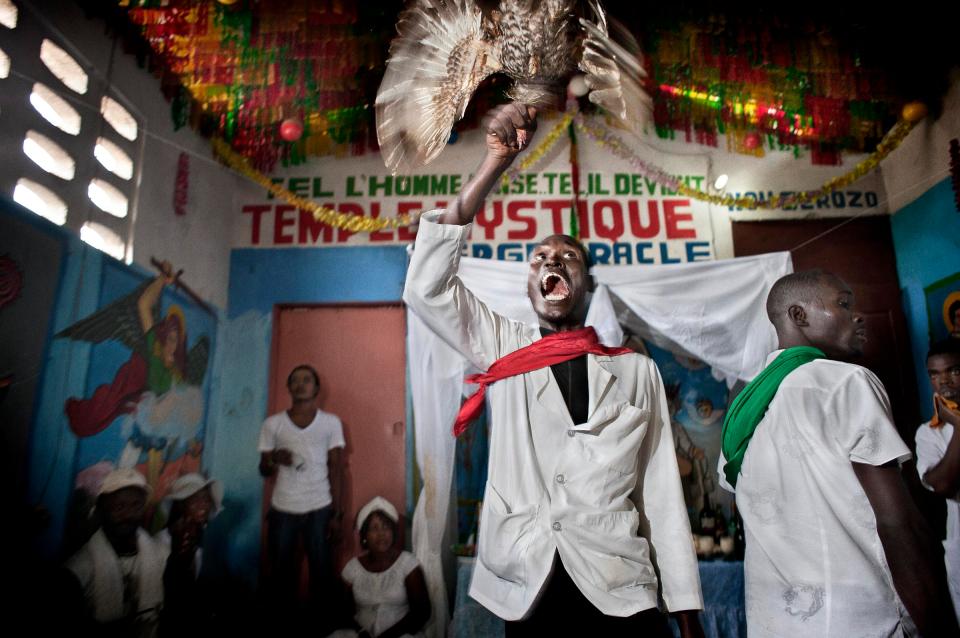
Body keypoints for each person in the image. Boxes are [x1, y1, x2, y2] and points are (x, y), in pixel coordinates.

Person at [403, 103, 703, 637]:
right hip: (532, 582)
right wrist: (494, 163)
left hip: (620, 583)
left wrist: (685, 608)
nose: (553, 262)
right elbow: (427, 288)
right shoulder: (504, 348)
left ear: (587, 282)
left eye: (568, 258)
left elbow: (660, 492)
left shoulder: (634, 372)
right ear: (529, 286)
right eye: (540, 258)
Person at [719, 269, 958, 636]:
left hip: (777, 624)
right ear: (799, 316)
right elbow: (897, 523)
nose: (856, 314)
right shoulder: (846, 382)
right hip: (861, 619)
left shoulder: (742, 405)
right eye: (844, 304)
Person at [259, 363, 345, 629]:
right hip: (283, 509)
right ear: (288, 387)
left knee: (322, 573)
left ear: (316, 388)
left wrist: (337, 515)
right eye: (295, 380)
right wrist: (274, 458)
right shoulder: (273, 424)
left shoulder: (331, 423)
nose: (301, 384)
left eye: (307, 380)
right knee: (281, 574)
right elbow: (264, 469)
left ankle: (322, 628)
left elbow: (338, 470)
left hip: (319, 507)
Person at [61, 468, 168, 638]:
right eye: (119, 507)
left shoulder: (159, 555)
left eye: (136, 506)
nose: (129, 515)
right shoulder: (80, 568)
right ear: (102, 510)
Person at [330, 497, 430, 638]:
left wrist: (388, 636)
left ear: (393, 532)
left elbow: (422, 612)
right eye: (374, 528)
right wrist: (360, 631)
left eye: (386, 527)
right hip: (361, 634)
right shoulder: (352, 568)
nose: (381, 534)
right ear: (364, 535)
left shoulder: (408, 564)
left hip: (400, 633)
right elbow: (341, 612)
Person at [915, 338, 960, 623]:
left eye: (954, 371)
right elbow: (942, 485)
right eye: (934, 374)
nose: (944, 381)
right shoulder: (928, 433)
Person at [158, 473, 223, 636]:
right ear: (180, 505)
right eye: (195, 499)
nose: (204, 505)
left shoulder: (198, 539)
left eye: (207, 499)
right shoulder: (162, 543)